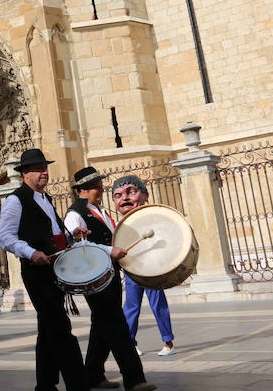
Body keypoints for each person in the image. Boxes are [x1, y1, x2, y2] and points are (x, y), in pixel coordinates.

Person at [0, 148, 90, 391]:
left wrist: (71, 236)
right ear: (25, 173)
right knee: (60, 329)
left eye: (45, 168)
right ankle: (78, 385)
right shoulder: (16, 200)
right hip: (37, 272)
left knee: (47, 328)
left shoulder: (46, 198)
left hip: (56, 268)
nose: (44, 173)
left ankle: (45, 385)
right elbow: (5, 237)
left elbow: (53, 233)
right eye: (39, 169)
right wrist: (30, 252)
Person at [64, 167, 156, 391]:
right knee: (116, 325)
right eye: (97, 187)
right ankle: (134, 379)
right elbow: (78, 245)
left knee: (101, 324)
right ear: (83, 190)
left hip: (110, 275)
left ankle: (93, 375)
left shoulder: (100, 211)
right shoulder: (75, 214)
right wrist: (109, 250)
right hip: (93, 278)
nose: (101, 190)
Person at [112, 175, 177, 357]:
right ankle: (130, 342)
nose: (125, 198)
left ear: (145, 195)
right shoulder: (120, 225)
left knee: (158, 303)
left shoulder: (154, 218)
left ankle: (168, 342)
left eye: (131, 192)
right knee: (131, 306)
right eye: (118, 195)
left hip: (152, 268)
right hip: (132, 269)